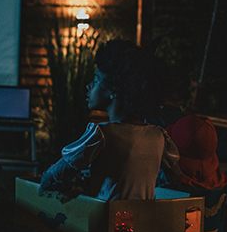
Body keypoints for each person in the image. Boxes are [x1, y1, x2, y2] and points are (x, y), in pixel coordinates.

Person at [39, 39, 181, 201]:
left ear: (114, 89)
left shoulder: (102, 134)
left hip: (106, 221)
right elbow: (174, 179)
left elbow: (54, 176)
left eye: (96, 79)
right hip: (143, 222)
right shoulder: (159, 136)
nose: (89, 86)